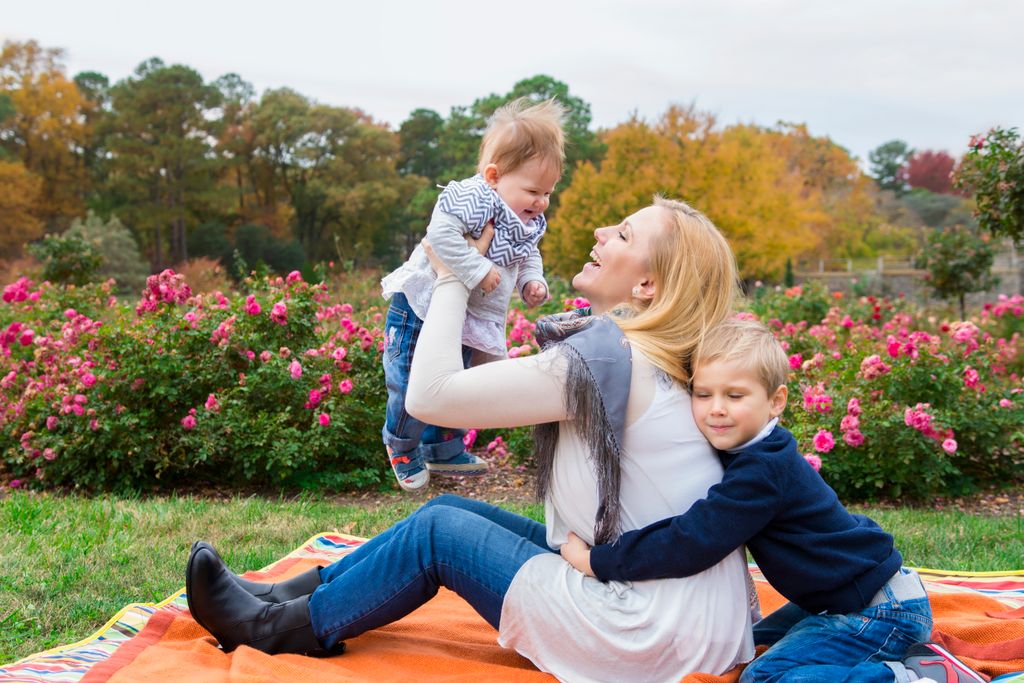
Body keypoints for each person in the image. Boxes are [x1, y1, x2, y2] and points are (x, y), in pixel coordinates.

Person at [186, 198, 757, 683]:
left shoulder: (607, 361)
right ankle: (285, 596)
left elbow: (429, 396)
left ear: (647, 284)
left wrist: (451, 273)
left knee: (442, 533)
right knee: (451, 508)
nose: (600, 233)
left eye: (624, 234)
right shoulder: (644, 358)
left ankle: (272, 630)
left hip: (652, 640)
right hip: (689, 621)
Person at [560, 317, 986, 683]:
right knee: (751, 643)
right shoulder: (754, 454)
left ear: (775, 401)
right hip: (848, 596)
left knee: (765, 675)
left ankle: (909, 676)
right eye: (703, 394)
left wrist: (598, 561)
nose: (716, 409)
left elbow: (693, 539)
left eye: (735, 395)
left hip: (879, 611)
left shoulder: (762, 470)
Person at [378, 97, 563, 491]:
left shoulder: (529, 219)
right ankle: (401, 444)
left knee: (456, 381)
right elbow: (440, 235)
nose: (541, 202)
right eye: (533, 190)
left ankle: (443, 447)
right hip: (424, 308)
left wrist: (533, 280)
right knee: (412, 378)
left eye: (548, 193)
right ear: (494, 176)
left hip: (469, 316)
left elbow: (528, 253)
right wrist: (478, 268)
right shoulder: (475, 197)